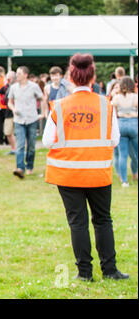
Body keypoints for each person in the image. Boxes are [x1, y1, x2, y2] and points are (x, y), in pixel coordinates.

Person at [42, 53, 129, 282]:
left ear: (71, 76)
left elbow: (47, 141)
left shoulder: (59, 106)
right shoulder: (106, 105)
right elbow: (115, 140)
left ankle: (85, 273)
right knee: (102, 220)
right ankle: (110, 270)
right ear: (93, 76)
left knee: (77, 223)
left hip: (68, 173)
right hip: (98, 173)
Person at [8, 66, 45, 178]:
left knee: (31, 146)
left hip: (31, 119)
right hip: (19, 120)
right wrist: (13, 109)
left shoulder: (34, 87)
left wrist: (43, 113)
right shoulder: (13, 87)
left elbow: (42, 99)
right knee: (20, 145)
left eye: (19, 73)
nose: (17, 75)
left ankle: (29, 166)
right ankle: (20, 168)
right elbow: (10, 102)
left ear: (25, 75)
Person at [111, 76, 138, 187]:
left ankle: (124, 181)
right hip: (133, 123)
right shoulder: (135, 97)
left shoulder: (116, 98)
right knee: (137, 153)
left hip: (121, 123)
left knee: (123, 154)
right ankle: (135, 173)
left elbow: (114, 112)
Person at [0, 70, 16, 155]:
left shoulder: (18, 86)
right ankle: (14, 149)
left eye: (10, 78)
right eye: (7, 78)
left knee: (19, 132)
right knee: (8, 132)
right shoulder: (6, 87)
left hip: (18, 112)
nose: (8, 80)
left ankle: (18, 149)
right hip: (8, 112)